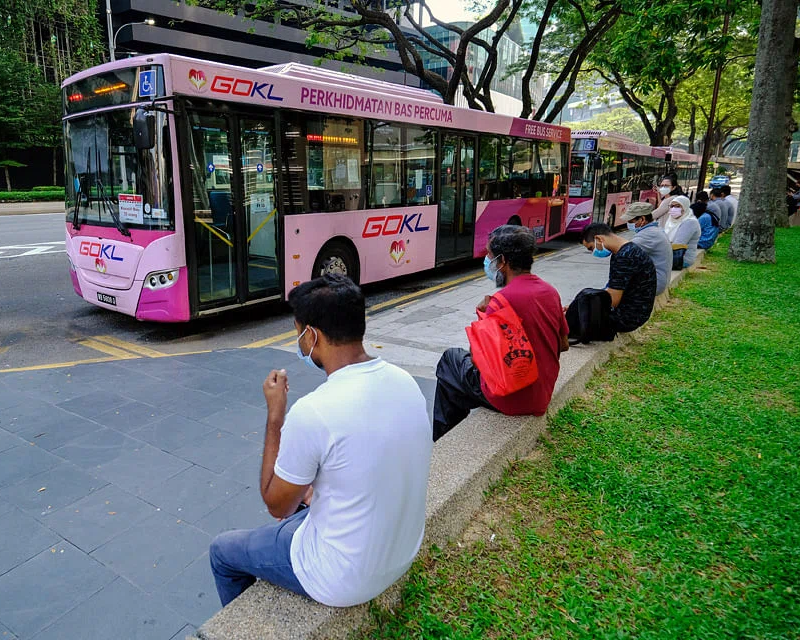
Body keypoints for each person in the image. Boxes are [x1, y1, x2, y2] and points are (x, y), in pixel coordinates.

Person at [209, 275, 432, 609]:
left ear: (311, 336)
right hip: (402, 552)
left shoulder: (313, 411)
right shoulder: (406, 382)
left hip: (342, 578)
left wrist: (275, 416)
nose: (299, 342)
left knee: (222, 551)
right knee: (305, 496)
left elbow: (277, 506)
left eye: (298, 333)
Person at [432, 225, 568, 441]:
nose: (487, 261)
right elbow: (564, 345)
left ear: (502, 261)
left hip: (512, 399)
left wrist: (484, 317)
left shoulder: (502, 301)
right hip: (542, 394)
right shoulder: (550, 291)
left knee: (451, 360)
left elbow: (479, 362)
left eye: (489, 255)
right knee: (457, 374)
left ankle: (442, 439)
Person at [580, 223, 657, 334]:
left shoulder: (624, 257)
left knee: (566, 322)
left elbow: (613, 300)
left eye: (591, 248)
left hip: (626, 318)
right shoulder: (628, 250)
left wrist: (582, 307)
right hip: (636, 312)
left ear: (599, 239)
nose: (593, 252)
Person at [619, 201, 672, 296]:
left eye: (630, 221)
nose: (628, 224)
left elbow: (624, 251)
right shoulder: (653, 230)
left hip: (653, 283)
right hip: (655, 279)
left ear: (642, 219)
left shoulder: (649, 235)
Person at [663, 195, 701, 267]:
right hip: (669, 254)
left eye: (678, 206)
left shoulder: (690, 222)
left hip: (681, 258)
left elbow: (678, 245)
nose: (674, 209)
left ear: (685, 207)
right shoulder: (671, 220)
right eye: (671, 206)